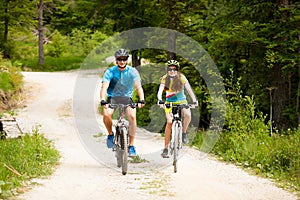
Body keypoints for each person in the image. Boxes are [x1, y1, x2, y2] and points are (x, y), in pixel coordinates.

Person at [100, 48, 145, 157]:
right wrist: (102, 99)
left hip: (126, 98)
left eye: (124, 59)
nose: (122, 61)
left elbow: (138, 87)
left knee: (133, 118)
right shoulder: (110, 71)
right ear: (116, 60)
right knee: (106, 114)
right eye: (120, 59)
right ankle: (110, 134)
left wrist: (142, 99)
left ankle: (131, 146)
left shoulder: (132, 71)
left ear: (127, 60)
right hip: (113, 97)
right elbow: (104, 86)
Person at [157, 60, 198, 158]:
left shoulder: (182, 77)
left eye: (174, 69)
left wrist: (194, 100)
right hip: (169, 103)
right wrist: (159, 99)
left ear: (177, 70)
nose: (172, 71)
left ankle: (184, 133)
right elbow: (160, 90)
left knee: (188, 115)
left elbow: (189, 89)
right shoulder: (165, 78)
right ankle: (166, 148)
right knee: (169, 122)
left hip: (182, 101)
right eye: (170, 69)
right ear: (167, 70)